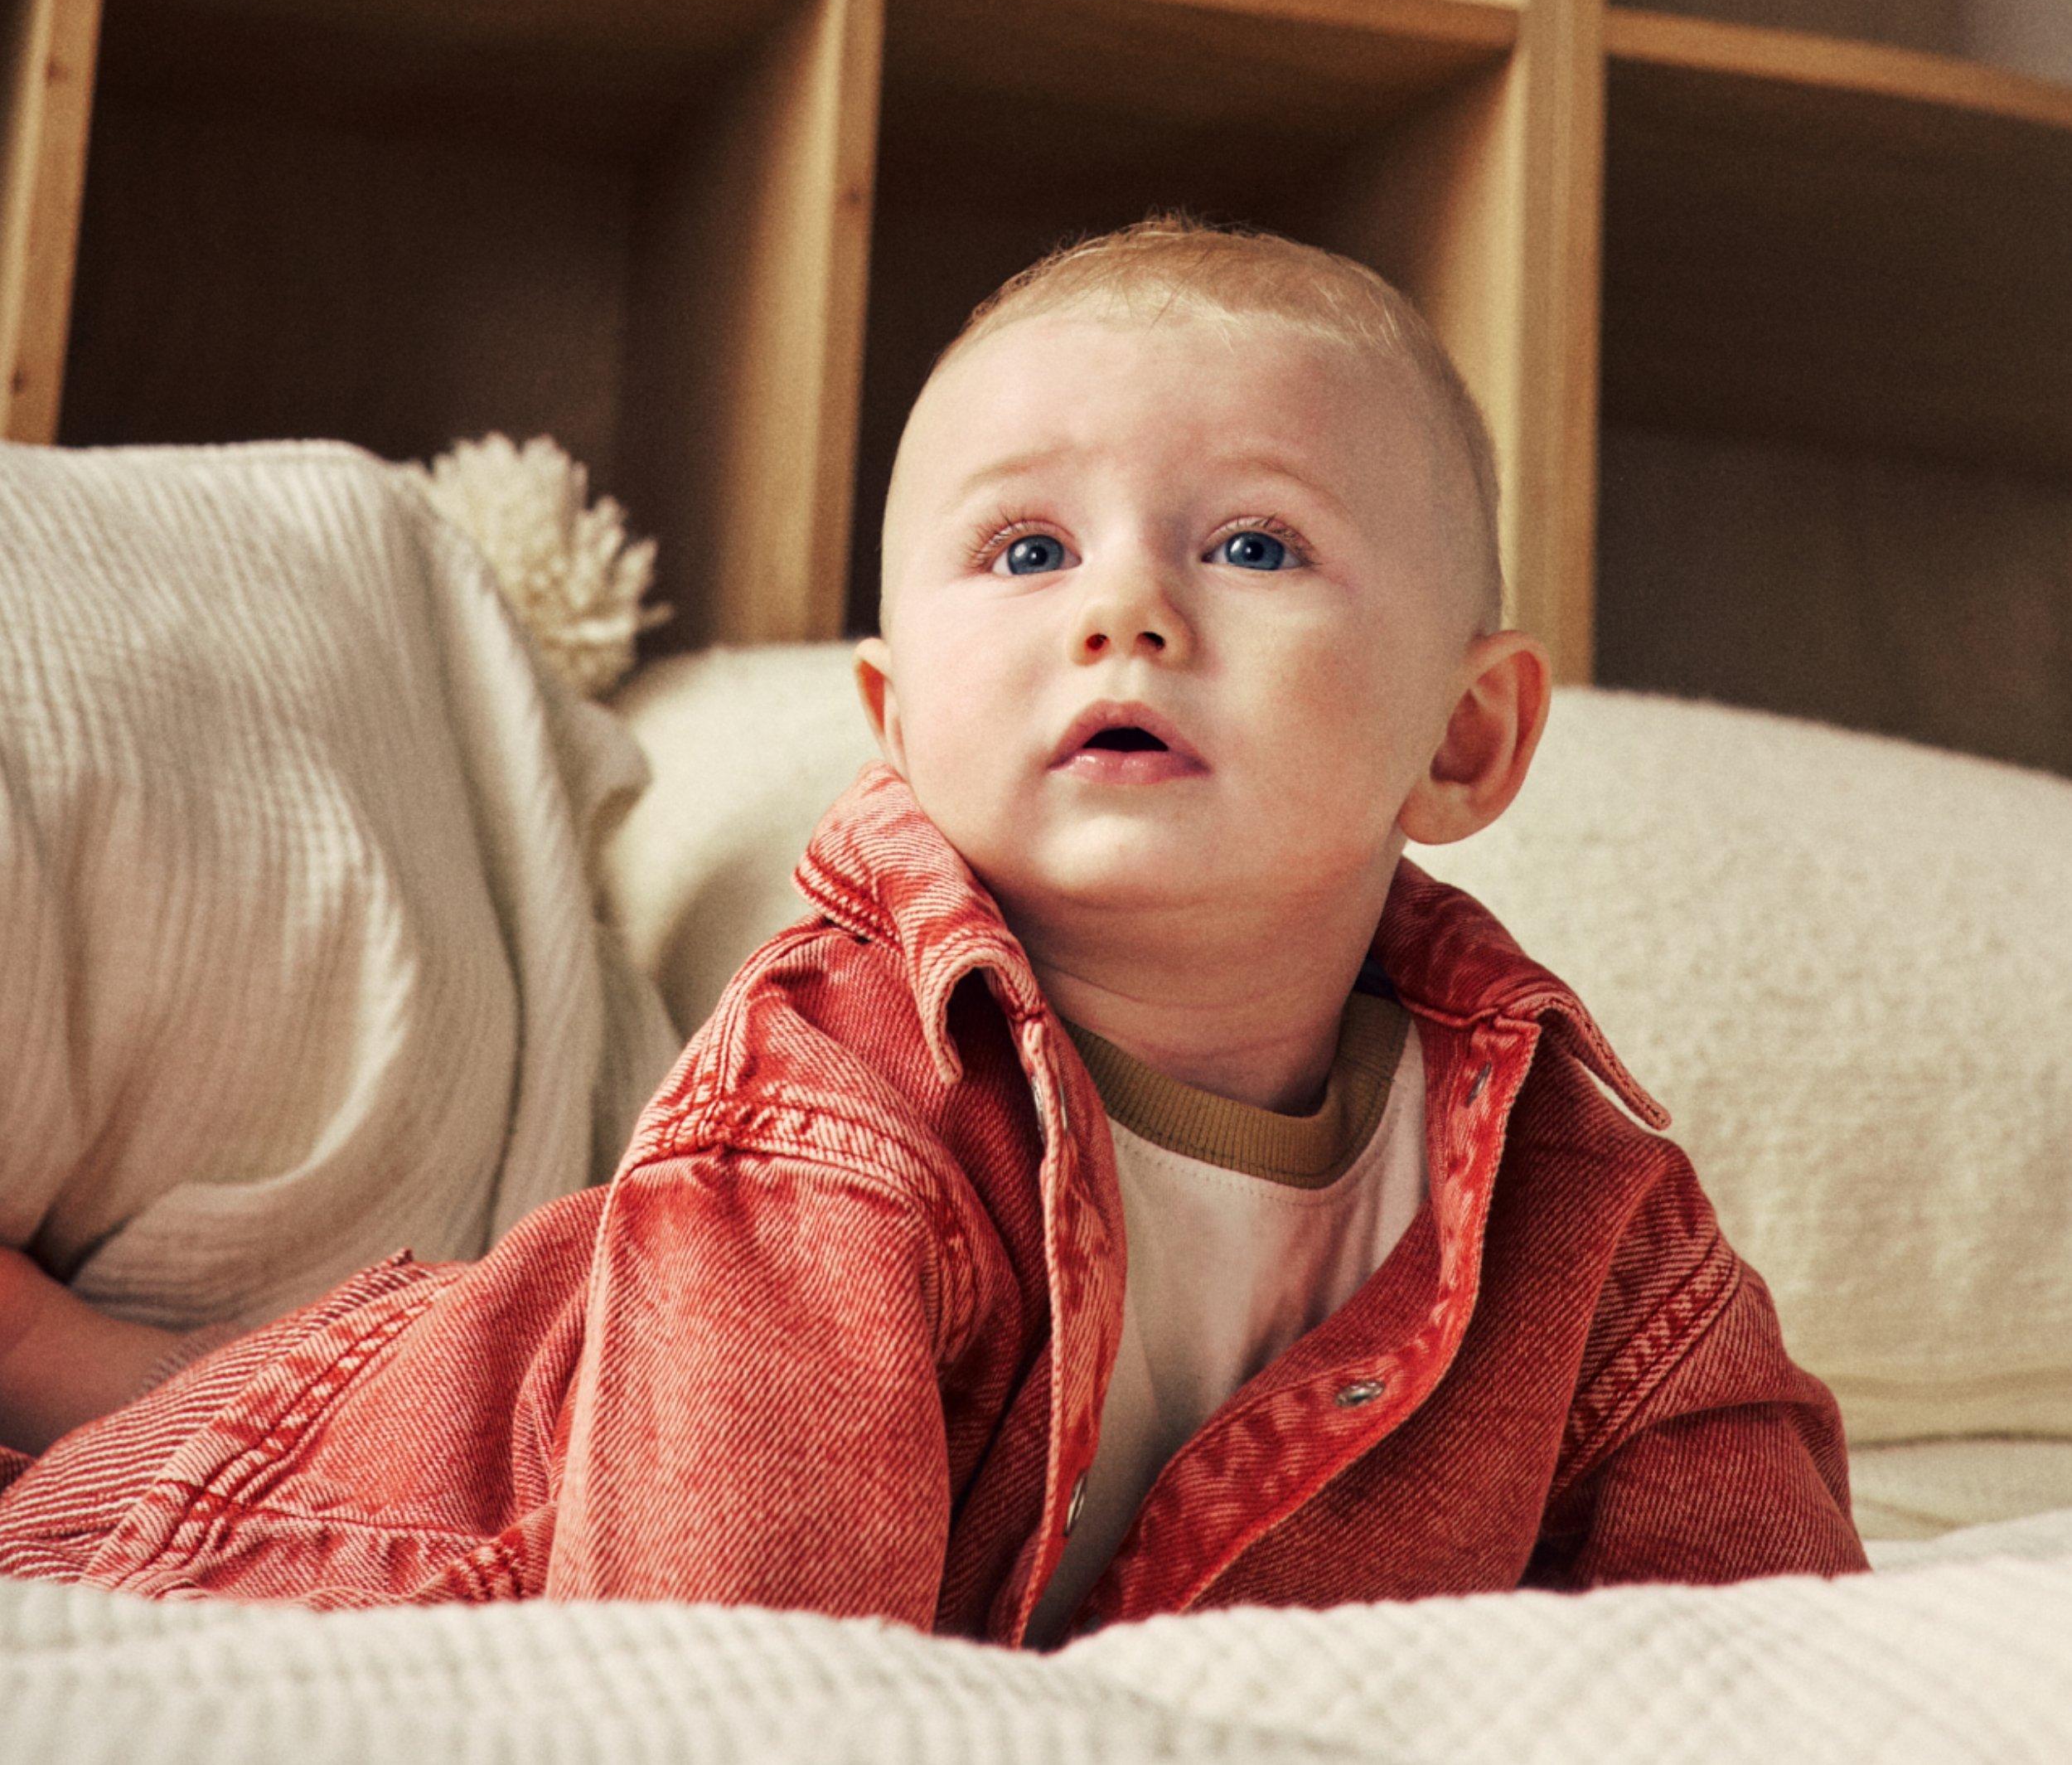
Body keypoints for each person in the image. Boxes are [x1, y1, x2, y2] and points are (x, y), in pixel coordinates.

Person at [0, 216, 1865, 1630]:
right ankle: (92, 1369)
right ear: (899, 726)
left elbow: (1767, 1617)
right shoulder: (842, 1089)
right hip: (404, 1476)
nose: (1121, 609)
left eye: (1252, 544)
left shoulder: (1573, 1196)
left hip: (526, 1345)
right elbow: (724, 1666)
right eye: (1028, 549)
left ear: (1462, 736)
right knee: (157, 1462)